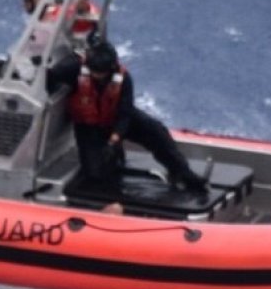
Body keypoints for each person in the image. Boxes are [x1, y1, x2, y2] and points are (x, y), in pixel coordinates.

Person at [47, 41, 208, 193]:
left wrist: (113, 141)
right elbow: (50, 76)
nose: (97, 75)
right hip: (89, 127)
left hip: (116, 118)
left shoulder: (123, 79)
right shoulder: (72, 68)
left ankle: (183, 173)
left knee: (156, 132)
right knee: (95, 172)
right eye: (94, 70)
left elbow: (125, 113)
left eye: (102, 72)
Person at [18, 0, 99, 38]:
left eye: (27, 0)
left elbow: (75, 17)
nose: (24, 5)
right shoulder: (38, 20)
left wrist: (82, 9)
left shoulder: (55, 15)